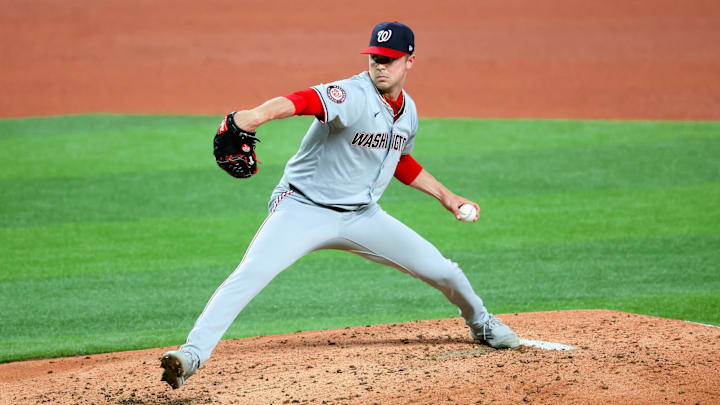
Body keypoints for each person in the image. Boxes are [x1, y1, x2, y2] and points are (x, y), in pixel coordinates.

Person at [160, 21, 519, 390]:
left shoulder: (407, 111)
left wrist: (447, 196)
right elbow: (302, 101)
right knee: (249, 275)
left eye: (390, 59)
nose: (380, 65)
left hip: (363, 216)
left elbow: (400, 160)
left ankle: (482, 323)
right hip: (303, 208)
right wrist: (254, 116)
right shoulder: (351, 94)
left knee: (443, 271)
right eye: (376, 57)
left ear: (410, 61)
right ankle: (191, 355)